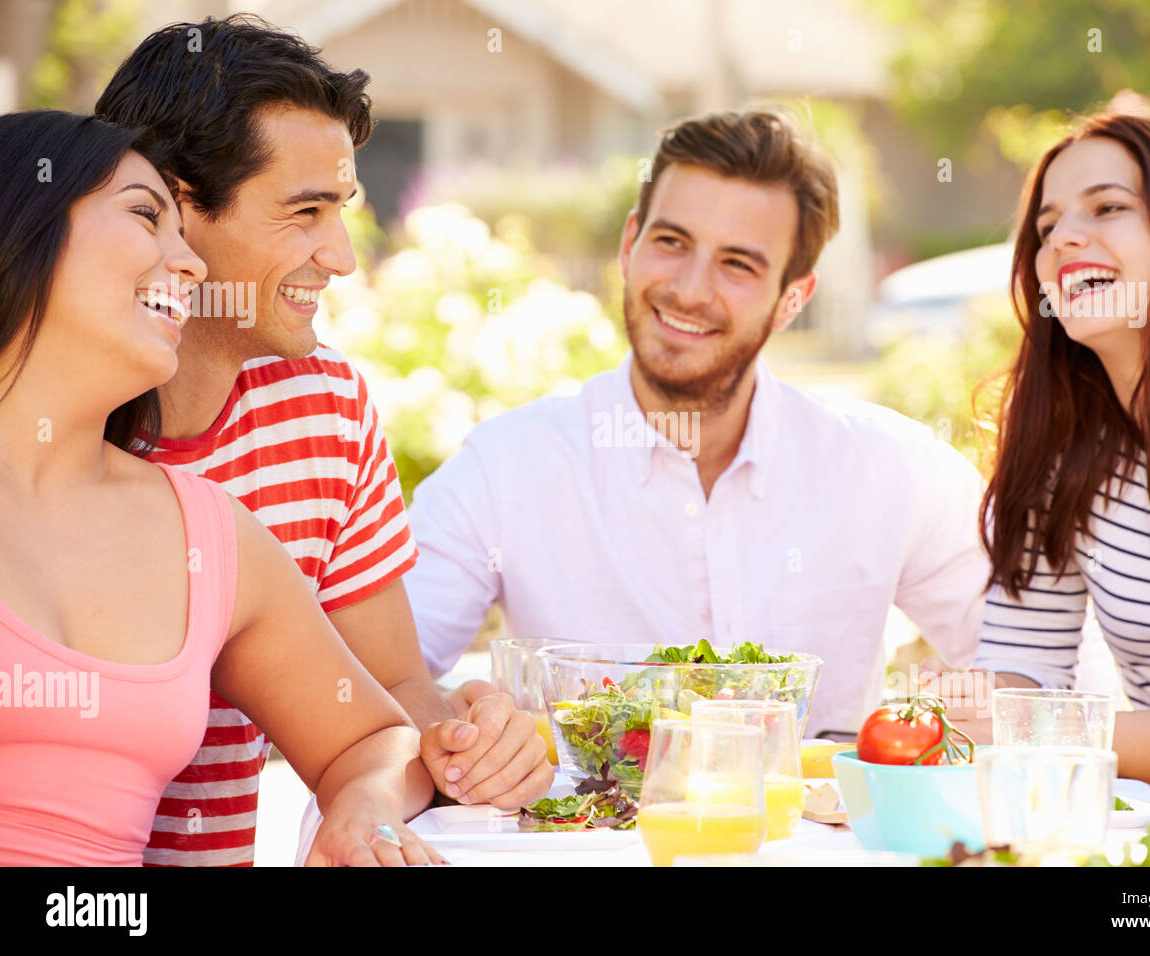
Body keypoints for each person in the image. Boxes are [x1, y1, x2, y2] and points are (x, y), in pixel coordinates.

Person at [94, 15, 550, 866]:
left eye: (340, 212)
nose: (340, 256)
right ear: (173, 208)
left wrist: (463, 744)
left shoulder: (322, 402)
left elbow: (387, 699)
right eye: (304, 213)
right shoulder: (45, 419)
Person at [402, 108, 990, 736]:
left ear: (792, 299)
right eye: (672, 242)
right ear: (631, 245)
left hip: (820, 831)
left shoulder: (892, 468)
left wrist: (949, 727)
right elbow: (382, 678)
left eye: (738, 263)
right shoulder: (507, 467)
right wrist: (464, 723)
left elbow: (1041, 677)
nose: (689, 288)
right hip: (587, 833)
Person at [0, 109, 442, 866]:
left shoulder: (205, 533)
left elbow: (375, 735)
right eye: (144, 215)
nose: (190, 265)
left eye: (182, 233)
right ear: (20, 223)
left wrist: (360, 811)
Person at [929, 111, 1150, 798]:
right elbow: (1025, 664)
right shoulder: (1066, 453)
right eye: (1046, 227)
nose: (1063, 239)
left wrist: (1034, 730)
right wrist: (972, 703)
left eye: (1108, 207)